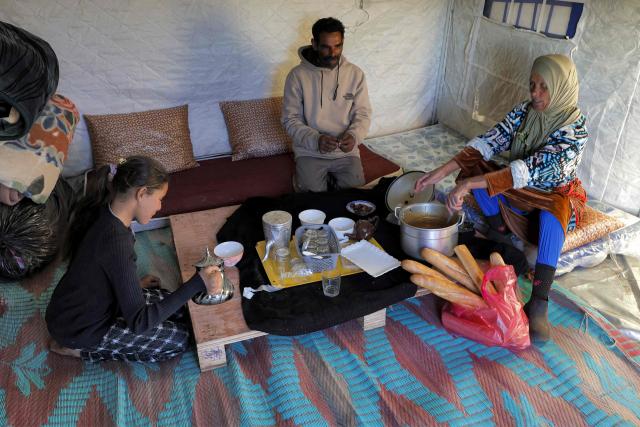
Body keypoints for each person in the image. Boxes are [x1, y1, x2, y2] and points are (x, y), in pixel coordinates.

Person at [415, 54, 588, 342]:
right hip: (516, 187)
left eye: (544, 87)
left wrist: (469, 184)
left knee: (554, 211)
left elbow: (529, 170)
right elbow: (489, 141)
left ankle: (540, 300)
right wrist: (440, 171)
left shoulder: (575, 131)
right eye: (532, 84)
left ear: (561, 87)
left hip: (548, 193)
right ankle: (502, 234)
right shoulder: (525, 111)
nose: (535, 93)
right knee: (476, 168)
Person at [45, 156, 222, 362]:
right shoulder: (115, 242)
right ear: (141, 193)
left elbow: (95, 271)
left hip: (78, 307)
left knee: (181, 310)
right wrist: (197, 282)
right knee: (180, 339)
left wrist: (133, 284)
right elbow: (139, 322)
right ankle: (80, 350)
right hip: (80, 329)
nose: (159, 207)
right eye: (159, 199)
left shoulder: (107, 213)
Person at [282, 17, 372, 192]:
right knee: (313, 205)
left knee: (355, 200)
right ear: (314, 44)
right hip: (310, 151)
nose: (333, 53)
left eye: (338, 46)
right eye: (326, 47)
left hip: (346, 152)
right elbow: (289, 120)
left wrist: (354, 137)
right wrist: (316, 139)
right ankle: (303, 178)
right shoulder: (297, 76)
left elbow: (363, 115)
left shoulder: (355, 74)